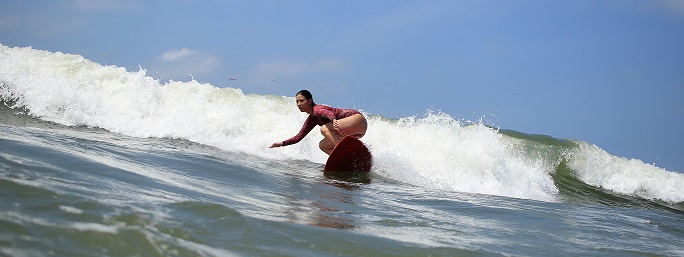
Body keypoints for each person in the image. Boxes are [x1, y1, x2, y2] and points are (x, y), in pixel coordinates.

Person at [269, 90, 367, 155]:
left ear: (310, 100)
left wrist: (333, 120)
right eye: (297, 102)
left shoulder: (317, 109)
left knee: (324, 129)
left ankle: (343, 151)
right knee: (323, 145)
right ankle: (348, 159)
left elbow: (328, 113)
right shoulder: (312, 119)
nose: (299, 104)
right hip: (355, 132)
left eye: (302, 101)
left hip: (357, 120)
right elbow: (298, 137)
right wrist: (281, 143)